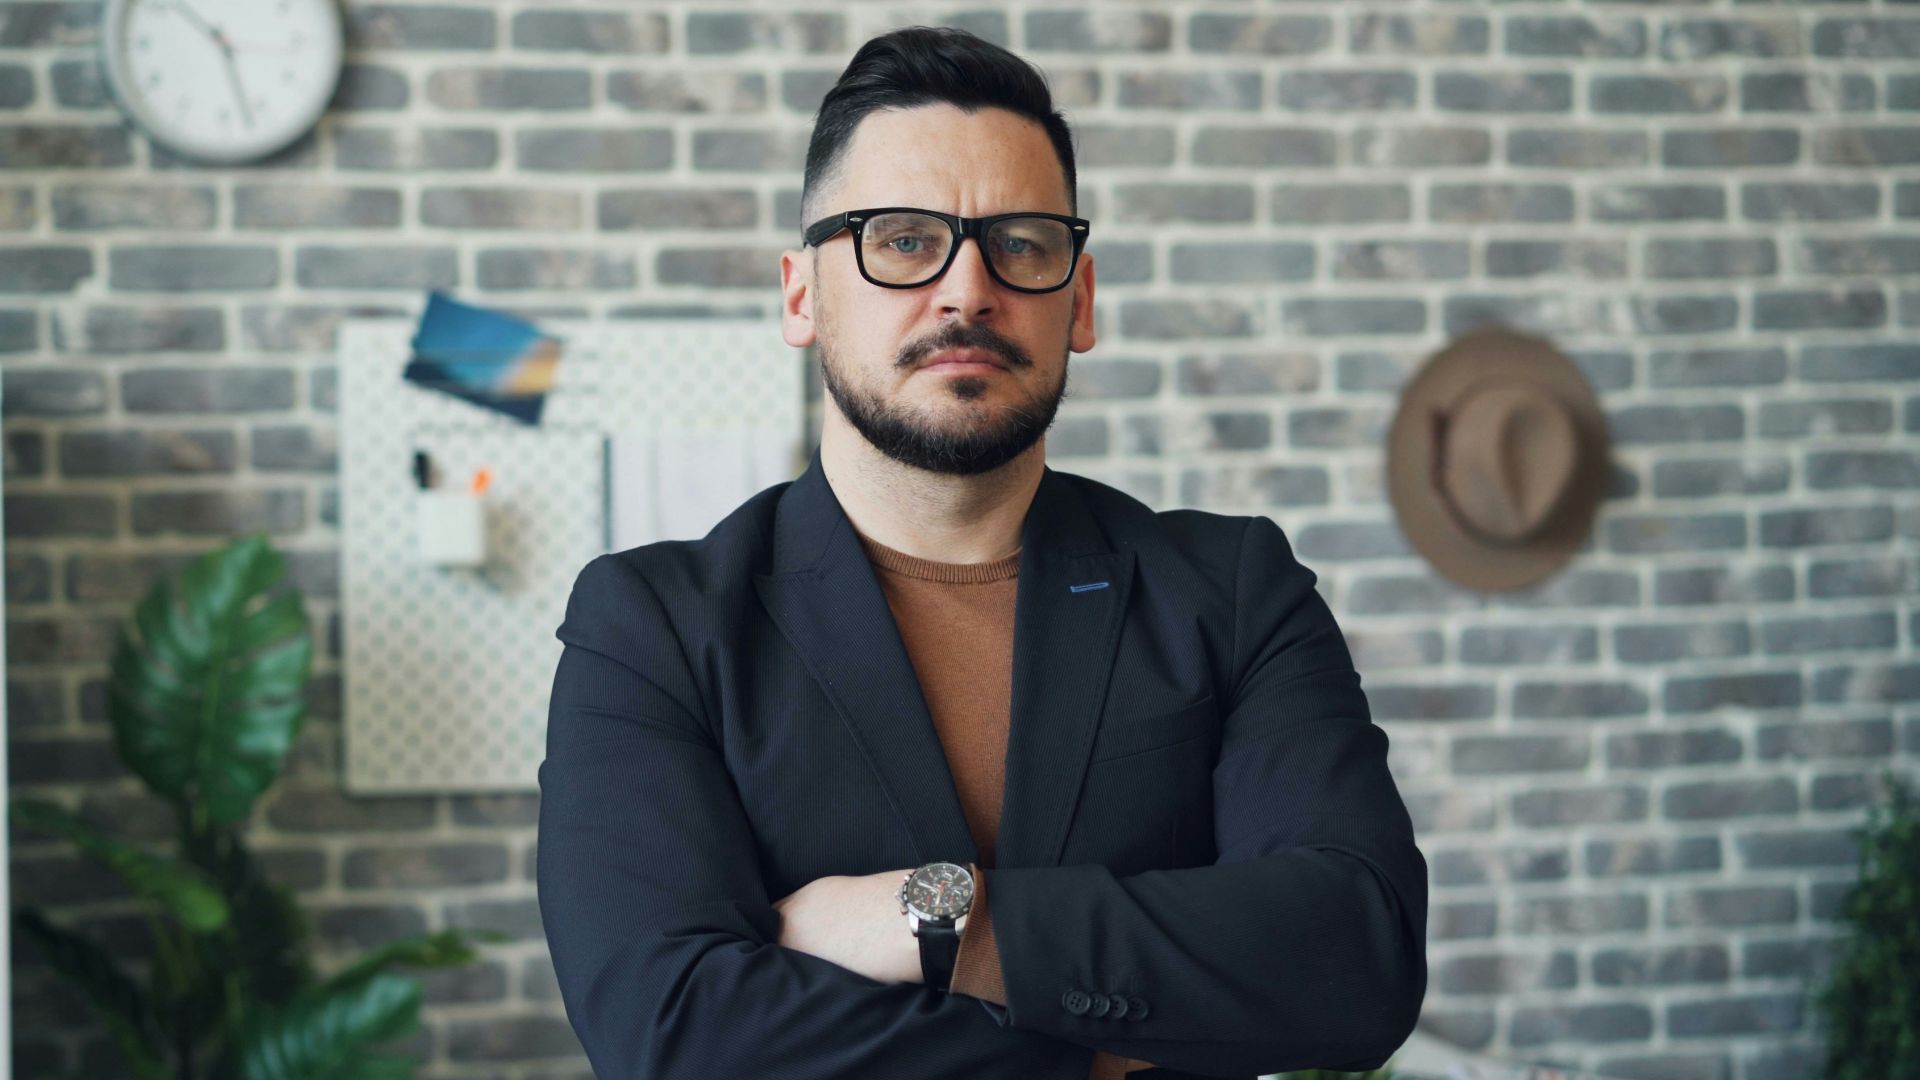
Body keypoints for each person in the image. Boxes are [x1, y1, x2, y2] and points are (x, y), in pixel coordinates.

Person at [536, 25, 1428, 1080]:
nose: (967, 289)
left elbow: (1357, 954)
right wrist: (1089, 1057)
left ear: (1078, 302)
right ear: (803, 294)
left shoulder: (1230, 590)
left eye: (1023, 244)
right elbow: (670, 1030)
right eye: (903, 240)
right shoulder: (653, 624)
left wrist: (941, 920)